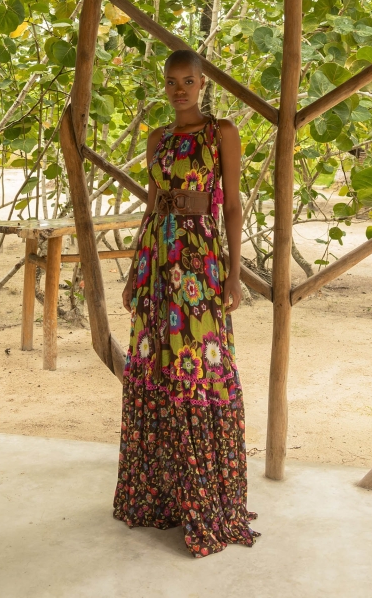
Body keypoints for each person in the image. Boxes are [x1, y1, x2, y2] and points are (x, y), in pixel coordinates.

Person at [112, 49, 259, 557]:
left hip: (199, 260)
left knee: (199, 368)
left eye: (188, 81)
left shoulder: (222, 134)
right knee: (157, 367)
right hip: (157, 259)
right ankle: (161, 496)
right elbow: (151, 208)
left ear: (202, 84)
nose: (179, 89)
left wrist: (233, 274)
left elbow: (234, 207)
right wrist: (135, 272)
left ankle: (206, 497)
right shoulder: (158, 138)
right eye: (172, 82)